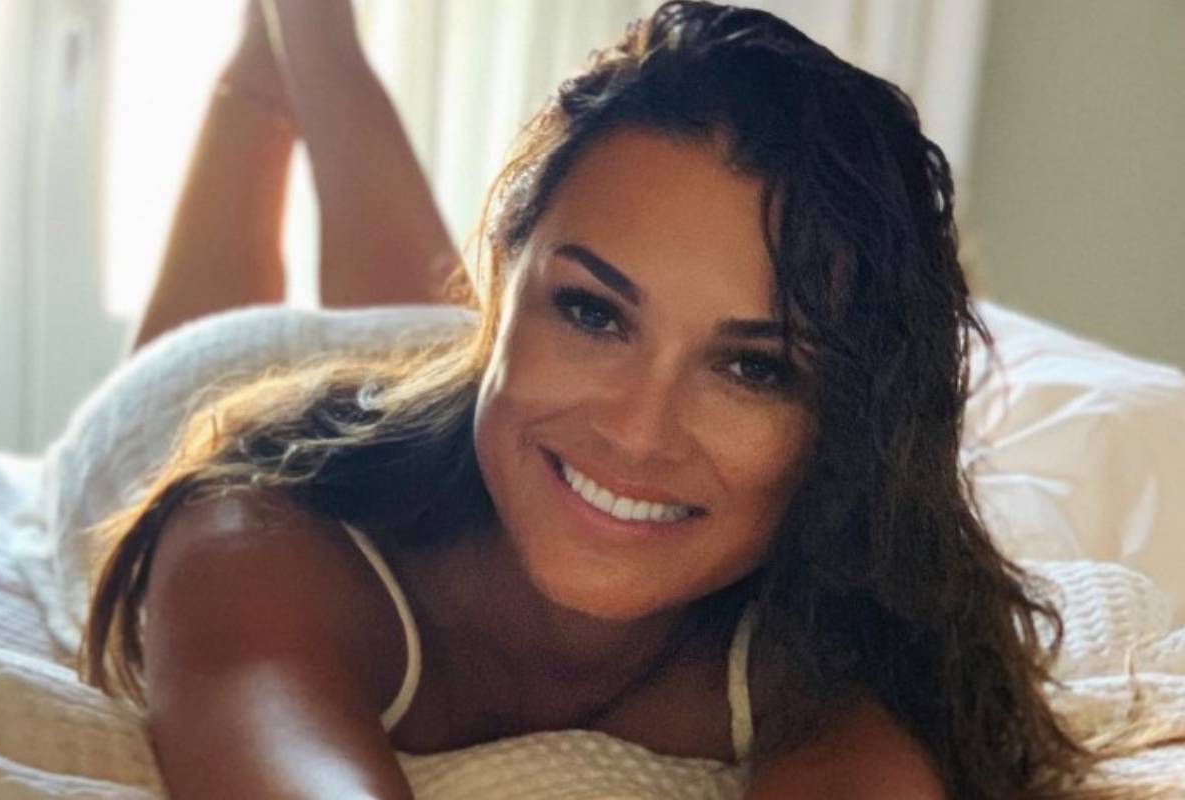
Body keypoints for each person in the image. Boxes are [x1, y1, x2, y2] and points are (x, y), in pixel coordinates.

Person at [80, 1, 1139, 798]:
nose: (638, 429)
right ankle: (308, 41)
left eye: (754, 368)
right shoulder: (257, 541)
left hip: (477, 400)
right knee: (379, 327)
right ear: (498, 283)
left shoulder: (836, 641)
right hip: (224, 396)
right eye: (593, 311)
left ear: (845, 424)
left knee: (471, 357)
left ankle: (285, 56)